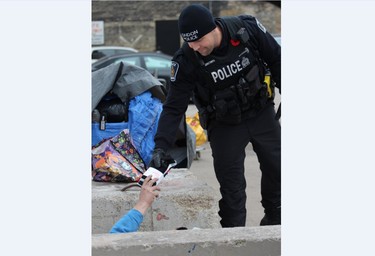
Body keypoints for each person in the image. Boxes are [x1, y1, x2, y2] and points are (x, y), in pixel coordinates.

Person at [149, 4, 281, 227]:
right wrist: (161, 146)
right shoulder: (186, 59)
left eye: (199, 40)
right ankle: (233, 241)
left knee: (278, 171)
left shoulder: (246, 29)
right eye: (189, 41)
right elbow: (173, 107)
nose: (195, 46)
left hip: (260, 113)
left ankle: (274, 220)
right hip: (224, 126)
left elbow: (277, 59)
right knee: (232, 193)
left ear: (213, 29)